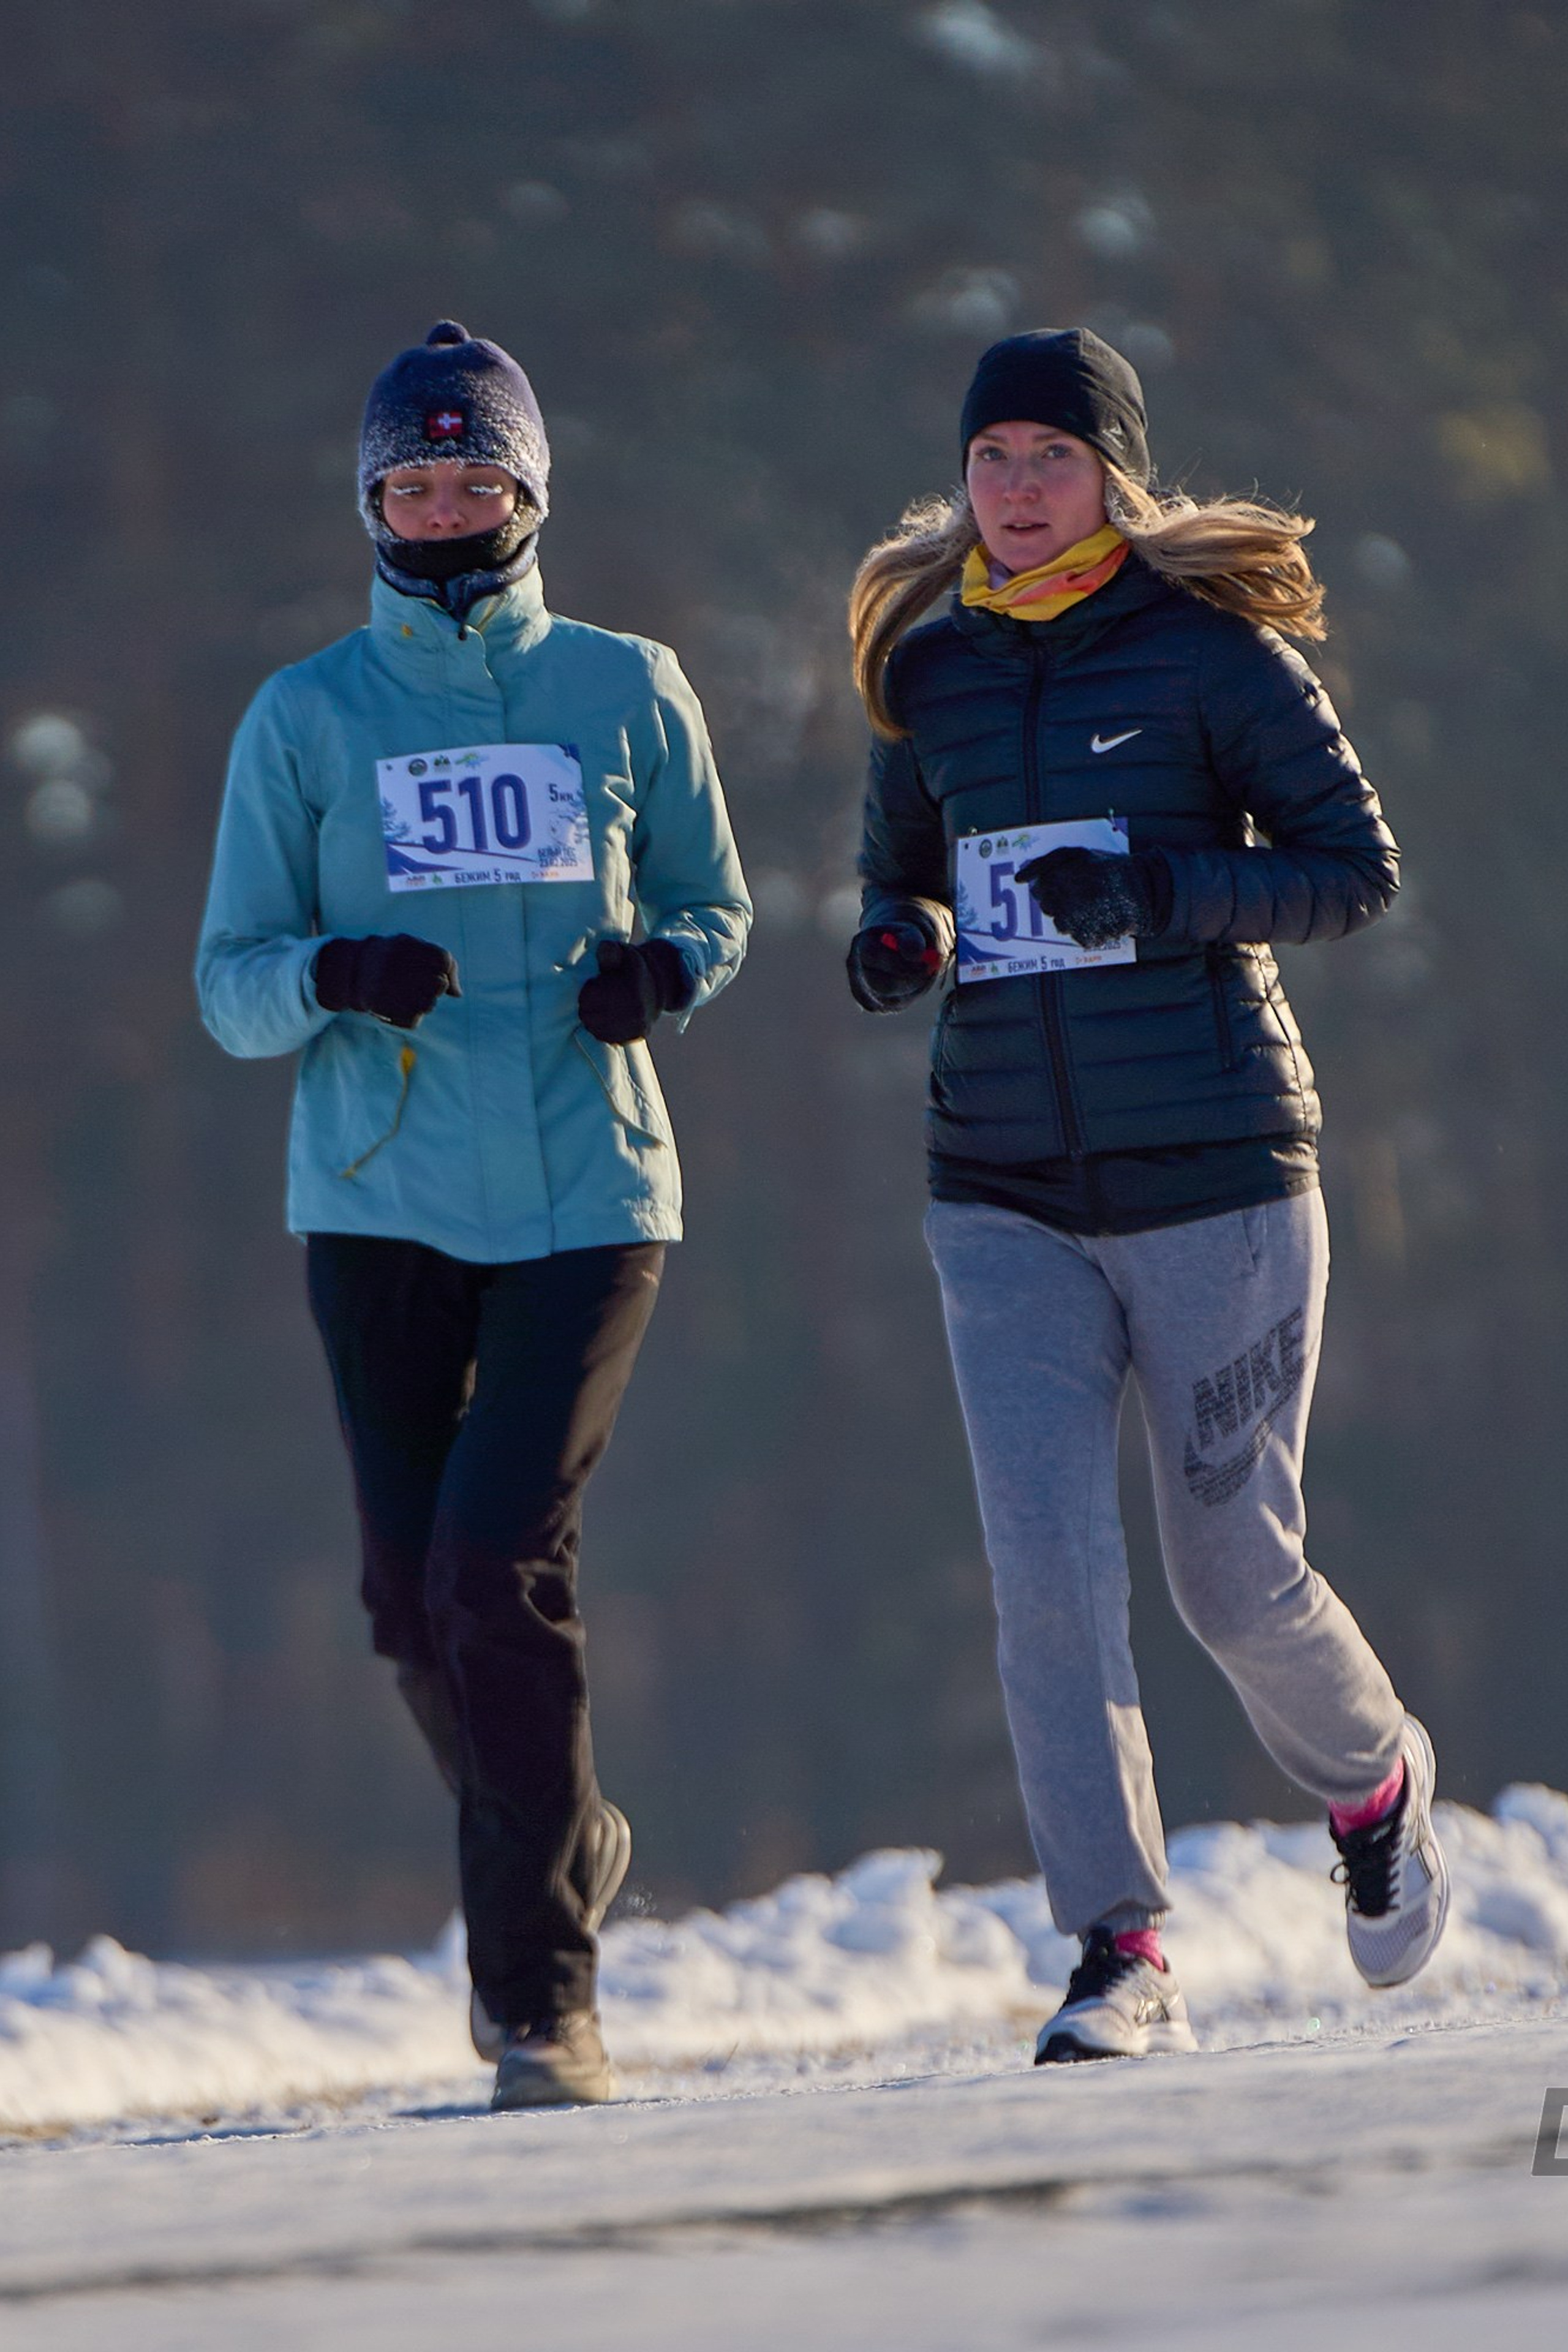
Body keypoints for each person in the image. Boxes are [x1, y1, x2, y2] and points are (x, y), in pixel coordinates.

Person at [845, 326, 1447, 2062]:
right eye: (992, 459)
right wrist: (901, 940)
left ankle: (1377, 1784)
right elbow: (904, 870)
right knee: (1045, 1574)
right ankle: (1121, 1950)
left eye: (1050, 455)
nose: (1017, 488)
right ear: (961, 483)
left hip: (1217, 1176)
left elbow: (1353, 871)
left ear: (1113, 474)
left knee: (1231, 1575)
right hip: (1000, 1188)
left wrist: (1161, 892)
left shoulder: (1215, 658)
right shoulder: (932, 669)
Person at [198, 322, 750, 2108]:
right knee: (401, 1602)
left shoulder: (628, 686)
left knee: (496, 1568)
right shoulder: (306, 718)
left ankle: (540, 2002)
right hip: (378, 1201)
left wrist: (660, 972)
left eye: (476, 475)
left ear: (530, 493)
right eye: (411, 480)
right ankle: (563, 1832)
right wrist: (338, 972)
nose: (445, 505)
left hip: (593, 1189)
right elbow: (230, 985)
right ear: (371, 501)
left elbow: (714, 905)